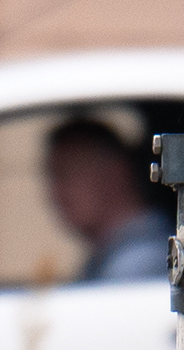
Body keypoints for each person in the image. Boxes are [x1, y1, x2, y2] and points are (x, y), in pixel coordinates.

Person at [41, 117, 177, 287]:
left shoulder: (141, 262)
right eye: (54, 178)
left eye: (68, 173)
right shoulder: (107, 256)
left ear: (116, 172)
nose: (57, 192)